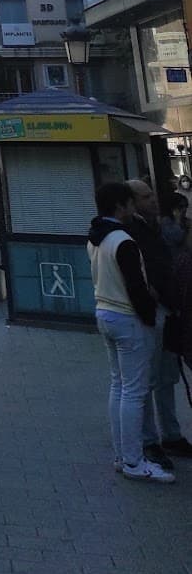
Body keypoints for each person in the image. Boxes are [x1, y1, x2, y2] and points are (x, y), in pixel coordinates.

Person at [87, 180, 172, 482]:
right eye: (131, 202)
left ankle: (123, 455)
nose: (134, 207)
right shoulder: (123, 240)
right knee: (135, 391)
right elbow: (137, 286)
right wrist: (149, 316)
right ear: (121, 206)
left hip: (104, 311)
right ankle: (135, 460)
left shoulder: (96, 237)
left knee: (119, 386)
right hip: (128, 317)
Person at [127, 179, 191, 464]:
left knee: (167, 376)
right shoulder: (131, 231)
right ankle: (149, 441)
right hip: (150, 312)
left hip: (169, 307)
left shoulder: (155, 226)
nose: (153, 199)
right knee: (149, 379)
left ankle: (172, 435)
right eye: (145, 196)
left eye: (152, 194)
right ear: (131, 202)